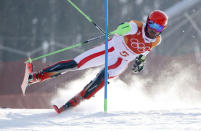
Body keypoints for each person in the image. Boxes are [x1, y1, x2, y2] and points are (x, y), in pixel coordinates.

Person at [22, 10, 168, 114]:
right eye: (153, 26)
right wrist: (121, 28)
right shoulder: (137, 26)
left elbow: (144, 51)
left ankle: (75, 101)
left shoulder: (157, 40)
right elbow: (124, 28)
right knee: (75, 64)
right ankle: (36, 77)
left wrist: (140, 62)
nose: (154, 31)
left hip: (121, 61)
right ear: (148, 22)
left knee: (100, 79)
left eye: (159, 28)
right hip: (111, 49)